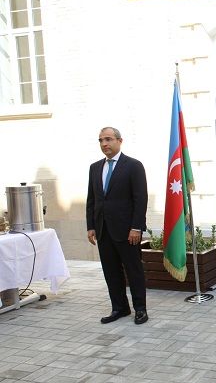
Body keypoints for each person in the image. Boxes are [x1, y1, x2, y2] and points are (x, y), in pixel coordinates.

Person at [86, 127, 149, 325]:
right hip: (103, 230)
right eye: (100, 140)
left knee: (133, 270)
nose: (104, 144)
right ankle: (120, 308)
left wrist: (136, 227)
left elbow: (140, 199)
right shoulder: (95, 168)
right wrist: (91, 226)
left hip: (127, 231)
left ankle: (140, 309)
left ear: (120, 141)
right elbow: (92, 200)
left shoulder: (133, 166)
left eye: (108, 139)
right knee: (110, 271)